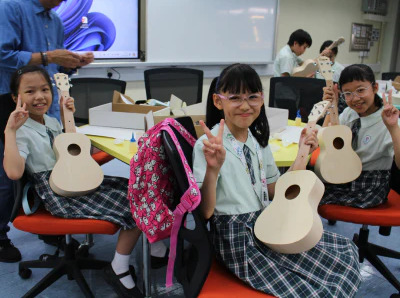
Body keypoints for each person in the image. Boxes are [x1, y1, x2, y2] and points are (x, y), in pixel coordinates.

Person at [193, 63, 361, 298]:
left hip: (265, 222)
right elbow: (206, 212)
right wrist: (213, 169)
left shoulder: (256, 139)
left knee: (345, 251)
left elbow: (274, 190)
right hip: (239, 240)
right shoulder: (208, 146)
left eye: (252, 96)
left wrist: (302, 151)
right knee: (320, 288)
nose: (245, 105)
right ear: (218, 101)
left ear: (262, 100)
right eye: (235, 97)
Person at [3, 65, 168, 298]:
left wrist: (65, 118)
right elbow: (13, 172)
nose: (39, 96)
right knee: (135, 206)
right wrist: (9, 132)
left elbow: (77, 151)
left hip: (75, 178)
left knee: (139, 188)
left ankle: (156, 247)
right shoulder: (20, 131)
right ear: (15, 98)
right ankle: (118, 269)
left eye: (44, 89)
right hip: (57, 193)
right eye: (30, 92)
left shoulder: (50, 122)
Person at [0, 0, 94, 261]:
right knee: (8, 175)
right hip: (9, 100)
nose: (65, 0)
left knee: (50, 160)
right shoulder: (11, 7)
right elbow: (2, 55)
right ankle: (0, 236)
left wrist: (71, 63)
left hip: (45, 105)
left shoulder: (55, 20)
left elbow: (52, 69)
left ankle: (51, 225)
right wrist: (47, 56)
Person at [320, 64, 399, 208]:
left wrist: (393, 128)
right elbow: (326, 140)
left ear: (374, 88)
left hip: (369, 184)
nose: (355, 98)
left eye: (361, 90)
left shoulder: (389, 120)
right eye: (348, 94)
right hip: (345, 173)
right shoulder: (350, 113)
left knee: (311, 197)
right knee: (309, 183)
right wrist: (331, 105)